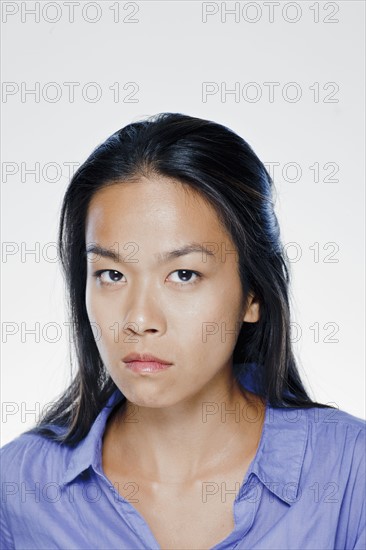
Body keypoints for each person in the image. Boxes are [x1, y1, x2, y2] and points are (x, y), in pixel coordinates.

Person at [1, 113, 365, 550]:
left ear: (253, 295)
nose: (139, 320)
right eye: (112, 275)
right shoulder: (18, 489)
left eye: (184, 275)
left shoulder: (349, 474)